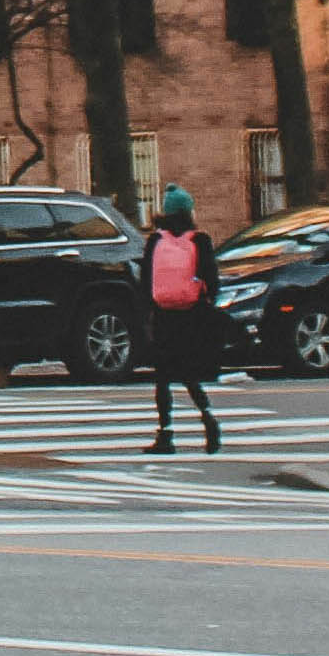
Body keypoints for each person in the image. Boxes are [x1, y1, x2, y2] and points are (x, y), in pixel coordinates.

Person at [139, 184, 226, 459]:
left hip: (163, 314)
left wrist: (148, 311)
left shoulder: (155, 240)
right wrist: (207, 300)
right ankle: (208, 418)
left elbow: (145, 278)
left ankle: (165, 434)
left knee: (162, 377)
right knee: (189, 373)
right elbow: (212, 279)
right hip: (191, 314)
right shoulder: (200, 240)